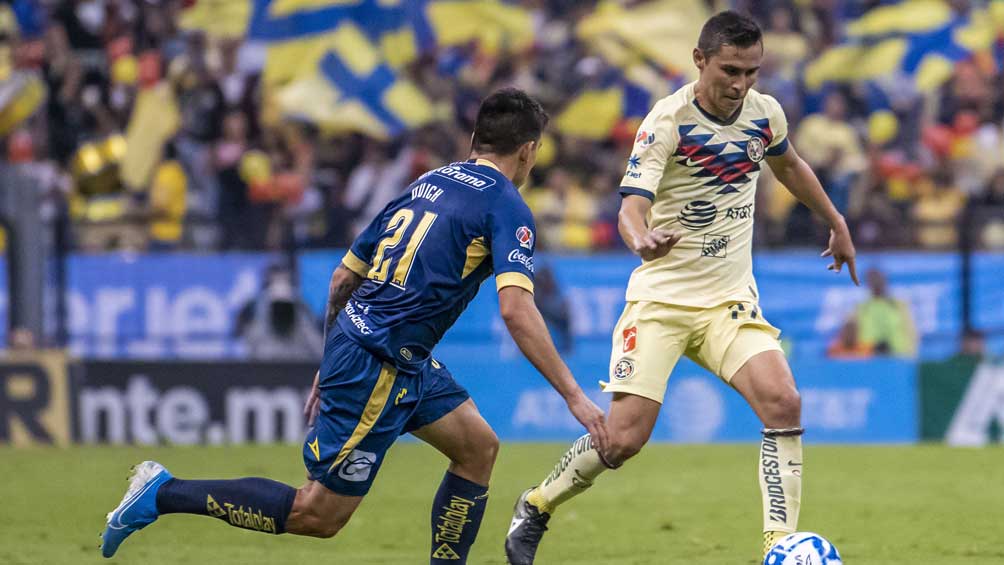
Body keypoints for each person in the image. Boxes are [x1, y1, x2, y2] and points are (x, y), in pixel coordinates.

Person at [99, 88, 607, 564]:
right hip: (378, 362)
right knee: (316, 514)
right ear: (529, 152)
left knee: (477, 447)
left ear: (475, 141)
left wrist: (330, 356)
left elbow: (344, 276)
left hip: (391, 352)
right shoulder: (506, 205)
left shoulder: (427, 182)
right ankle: (162, 492)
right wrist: (574, 397)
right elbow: (517, 310)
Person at [504, 11, 859, 564]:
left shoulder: (766, 115)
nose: (741, 84)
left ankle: (777, 546)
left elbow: (790, 168)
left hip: (728, 302)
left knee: (784, 401)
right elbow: (630, 207)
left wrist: (835, 220)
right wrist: (641, 239)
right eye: (730, 70)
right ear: (700, 61)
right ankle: (537, 504)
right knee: (622, 439)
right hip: (661, 304)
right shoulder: (666, 121)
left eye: (752, 72)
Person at [855, 267, 917, 357]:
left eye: (878, 279)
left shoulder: (899, 306)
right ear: (867, 283)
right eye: (872, 280)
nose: (875, 283)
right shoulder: (861, 309)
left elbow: (911, 333)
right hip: (869, 360)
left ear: (885, 281)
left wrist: (910, 356)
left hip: (898, 358)